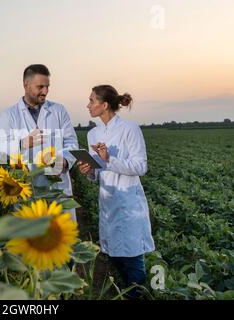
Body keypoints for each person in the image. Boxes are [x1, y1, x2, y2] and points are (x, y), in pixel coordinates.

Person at [77, 85, 155, 298]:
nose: (88, 105)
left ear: (104, 105)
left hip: (128, 202)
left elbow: (140, 166)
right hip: (107, 202)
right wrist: (89, 170)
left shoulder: (130, 130)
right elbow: (98, 174)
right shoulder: (93, 134)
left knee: (132, 258)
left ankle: (137, 294)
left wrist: (109, 159)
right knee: (113, 256)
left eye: (92, 100)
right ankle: (129, 291)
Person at [0, 64, 79, 221]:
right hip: (27, 192)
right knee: (32, 241)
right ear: (26, 85)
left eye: (47, 87)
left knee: (63, 239)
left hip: (57, 188)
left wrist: (65, 161)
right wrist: (22, 144)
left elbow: (71, 142)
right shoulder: (10, 115)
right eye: (40, 87)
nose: (45, 91)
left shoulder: (58, 110)